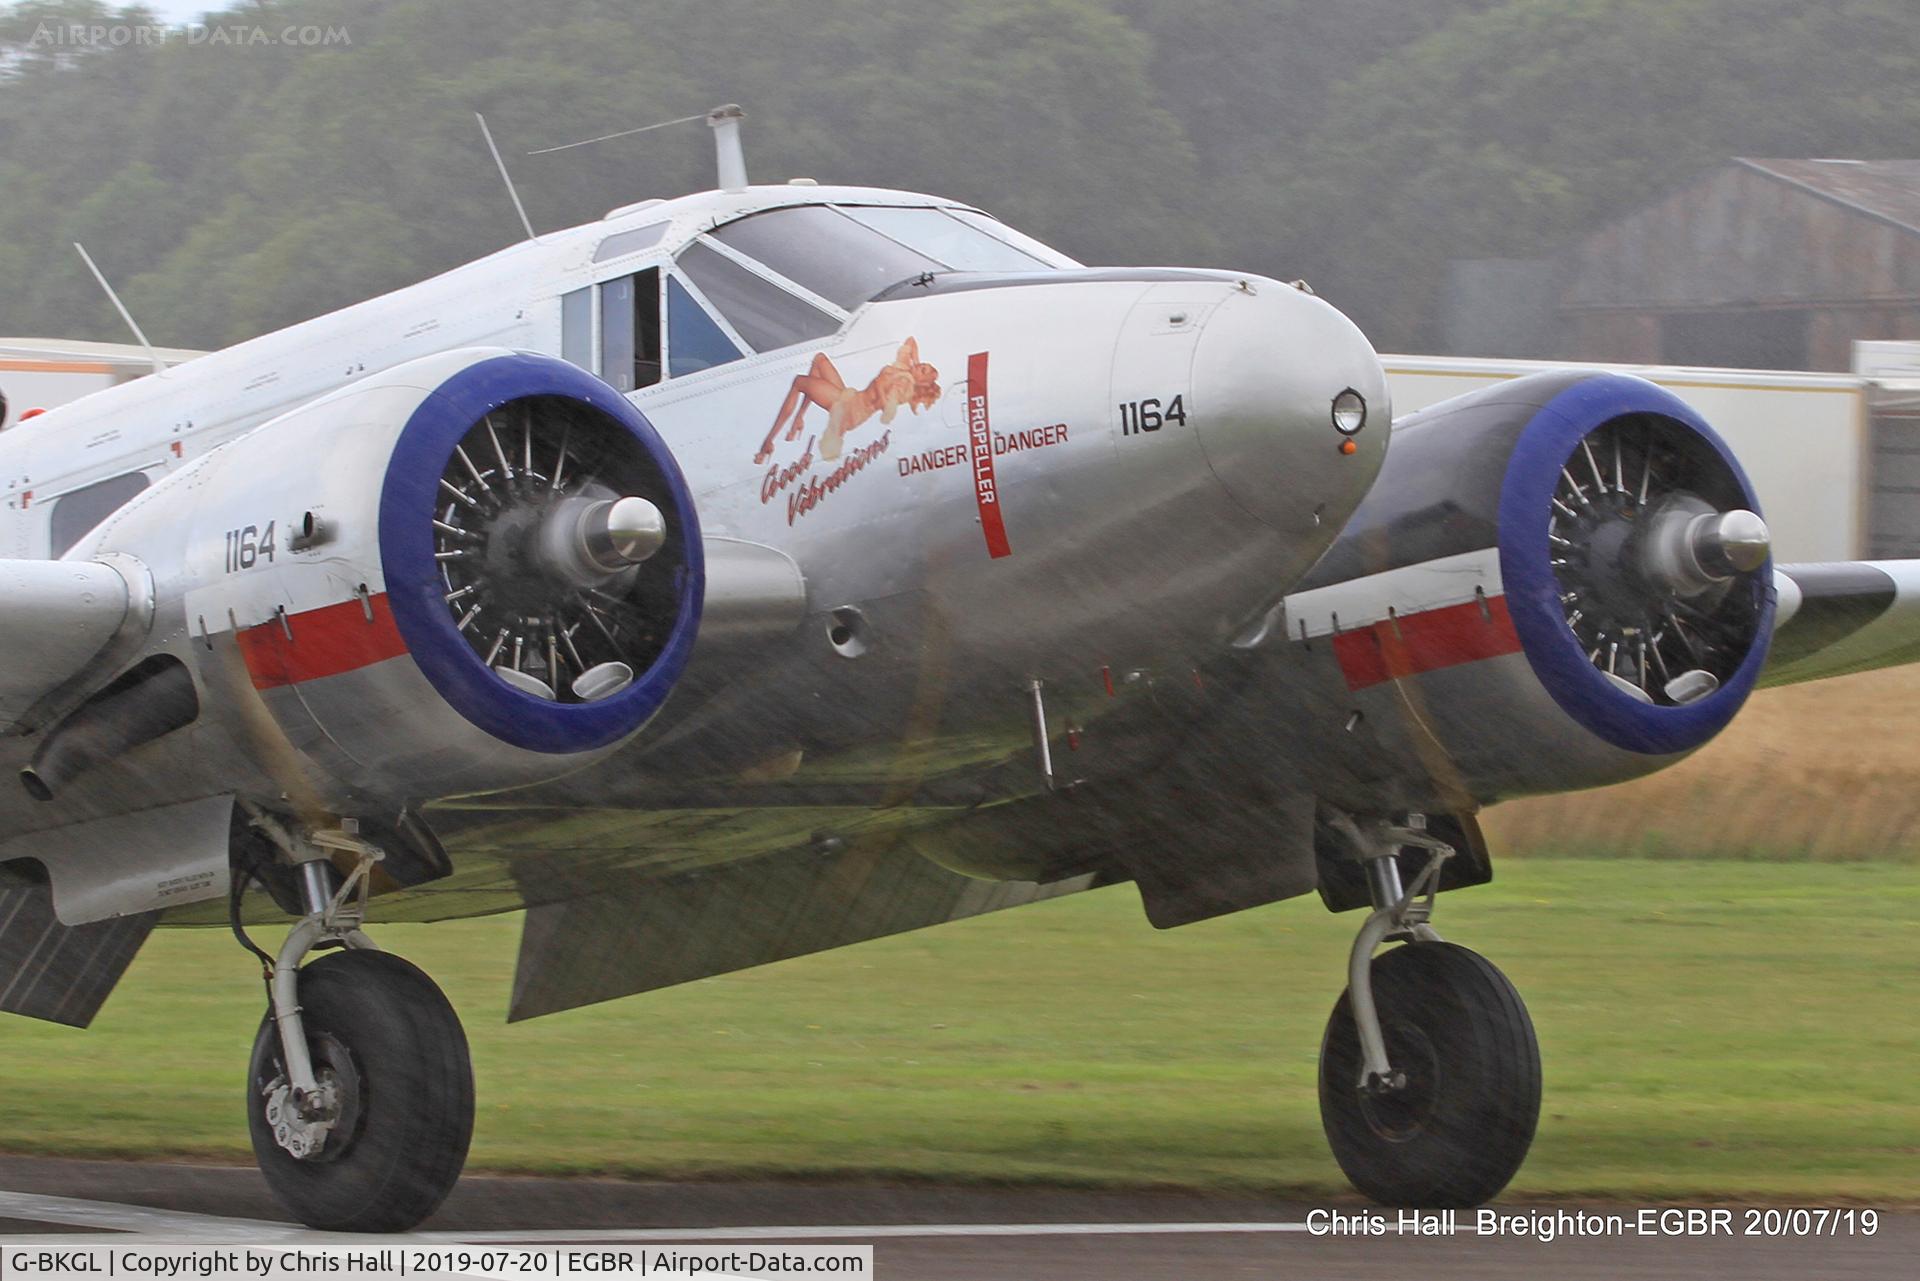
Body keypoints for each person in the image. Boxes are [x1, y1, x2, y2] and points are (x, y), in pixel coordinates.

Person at [756, 338, 940, 464]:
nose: (921, 366)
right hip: (851, 397)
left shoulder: (906, 386)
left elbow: (886, 407)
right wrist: (916, 363)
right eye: (924, 365)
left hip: (852, 410)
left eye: (924, 370)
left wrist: (883, 388)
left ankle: (768, 442)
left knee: (799, 382)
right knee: (820, 360)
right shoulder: (904, 368)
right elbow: (911, 342)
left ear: (922, 382)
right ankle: (799, 418)